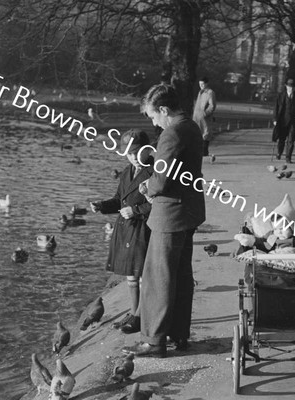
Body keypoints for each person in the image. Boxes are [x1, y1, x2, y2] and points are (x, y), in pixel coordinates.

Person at [122, 84, 206, 358]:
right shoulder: (192, 126)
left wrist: (146, 187)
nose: (152, 122)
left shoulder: (172, 133)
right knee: (181, 276)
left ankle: (154, 340)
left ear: (164, 110)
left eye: (153, 116)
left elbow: (161, 179)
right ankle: (179, 333)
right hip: (189, 211)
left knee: (157, 278)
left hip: (169, 214)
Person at [90, 129, 153, 334]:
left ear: (146, 150)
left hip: (143, 228)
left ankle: (140, 316)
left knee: (142, 276)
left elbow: (161, 203)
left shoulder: (154, 171)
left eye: (137, 152)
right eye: (129, 153)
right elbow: (119, 199)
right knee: (131, 277)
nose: (133, 157)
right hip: (126, 229)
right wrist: (102, 206)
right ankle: (134, 312)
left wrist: (135, 211)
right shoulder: (127, 171)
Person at [273, 77, 295, 163]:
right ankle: (279, 153)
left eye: (292, 87)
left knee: (291, 139)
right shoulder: (280, 95)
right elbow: (276, 108)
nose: (290, 88)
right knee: (282, 139)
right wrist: (275, 119)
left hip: (293, 121)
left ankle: (288, 158)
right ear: (286, 86)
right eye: (289, 86)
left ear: (294, 87)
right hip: (282, 121)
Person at [192, 76, 217, 160]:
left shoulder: (210, 92)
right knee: (197, 134)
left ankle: (206, 154)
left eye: (202, 84)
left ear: (206, 84)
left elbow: (212, 106)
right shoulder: (200, 92)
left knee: (205, 134)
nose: (201, 86)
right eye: (200, 84)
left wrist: (205, 113)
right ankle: (200, 153)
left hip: (204, 118)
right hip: (196, 118)